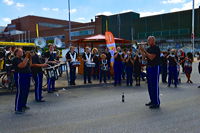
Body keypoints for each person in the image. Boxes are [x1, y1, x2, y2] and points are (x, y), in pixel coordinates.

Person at [139, 36, 160, 109]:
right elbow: (144, 57)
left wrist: (144, 51)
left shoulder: (156, 48)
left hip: (154, 67)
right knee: (150, 85)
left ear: (153, 41)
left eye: (149, 40)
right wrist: (141, 51)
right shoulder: (148, 48)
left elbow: (151, 57)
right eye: (147, 40)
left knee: (154, 85)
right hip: (149, 67)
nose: (148, 41)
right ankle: (152, 100)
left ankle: (156, 102)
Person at [12, 48, 32, 114]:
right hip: (20, 76)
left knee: (26, 91)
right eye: (20, 52)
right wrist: (26, 56)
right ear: (16, 53)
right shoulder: (15, 59)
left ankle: (23, 105)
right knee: (20, 91)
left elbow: (29, 64)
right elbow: (22, 65)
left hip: (27, 75)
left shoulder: (22, 58)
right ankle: (18, 108)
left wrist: (29, 57)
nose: (22, 52)